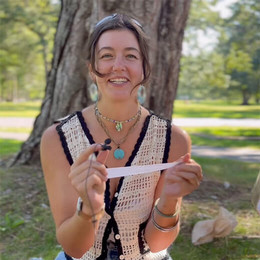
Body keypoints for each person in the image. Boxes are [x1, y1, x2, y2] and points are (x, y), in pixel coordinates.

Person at [40, 13, 203, 260]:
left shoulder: (174, 140)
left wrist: (170, 198)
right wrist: (89, 209)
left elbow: (156, 244)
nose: (118, 66)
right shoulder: (57, 138)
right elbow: (74, 249)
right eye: (106, 56)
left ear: (144, 69)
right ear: (92, 70)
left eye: (131, 56)